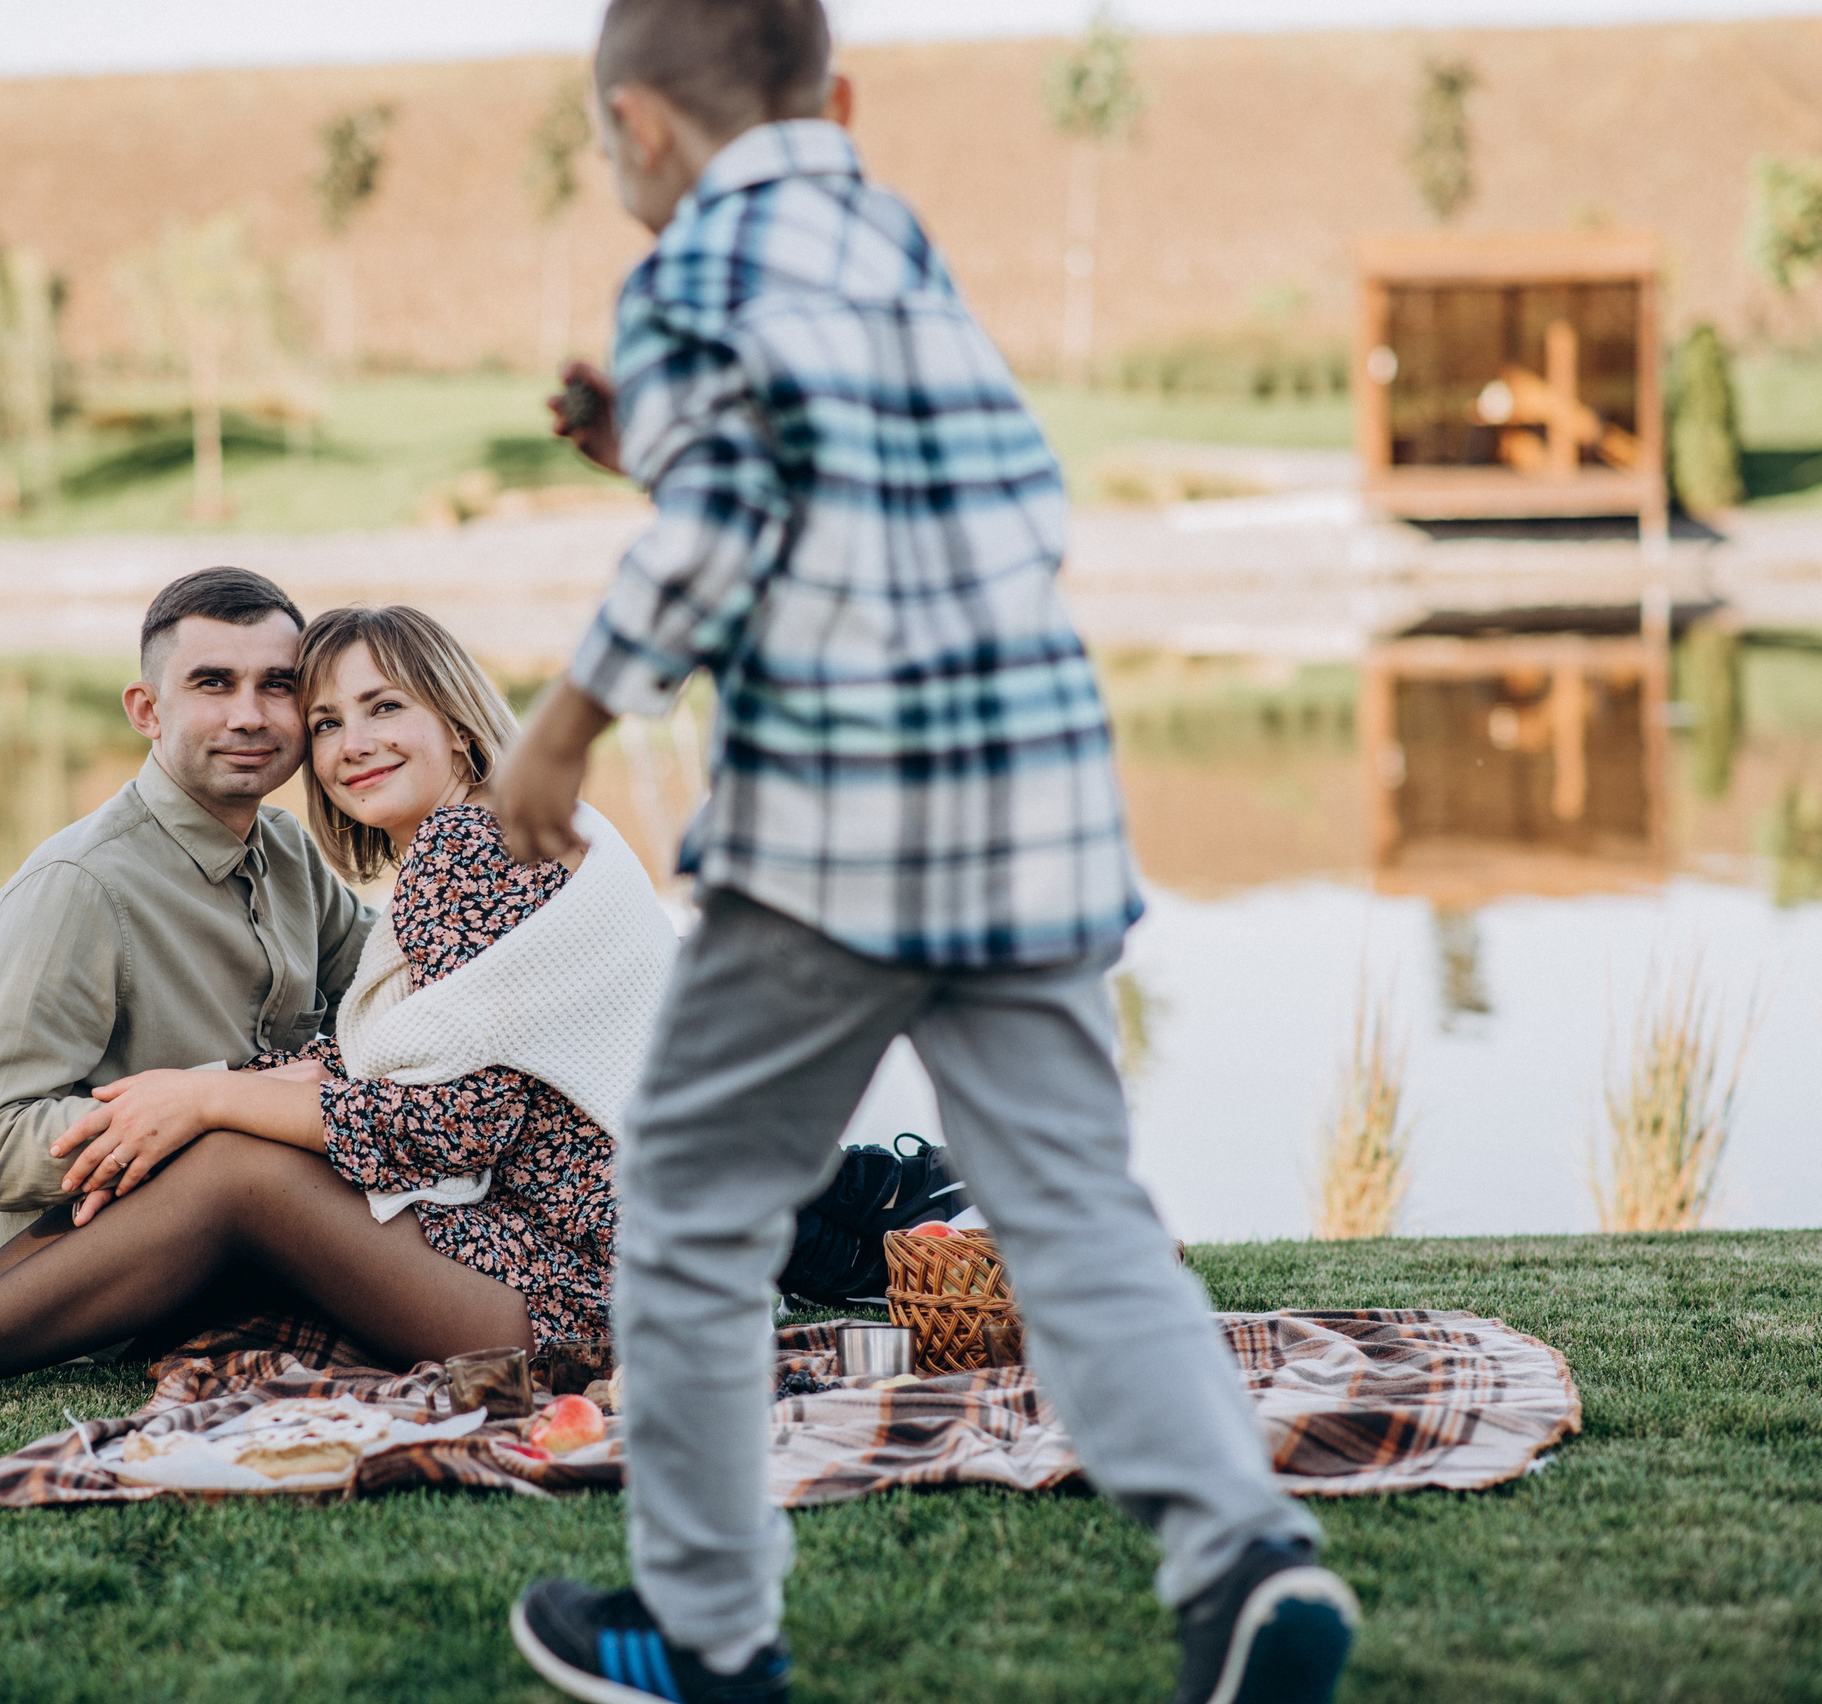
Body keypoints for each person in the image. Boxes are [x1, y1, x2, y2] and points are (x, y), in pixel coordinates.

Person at [492, 6, 1359, 1704]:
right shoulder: (895, 245)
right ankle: (1245, 1559)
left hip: (836, 831)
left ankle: (708, 1627)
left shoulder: (690, 267)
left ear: (641, 132)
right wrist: (643, 444)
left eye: (607, 152)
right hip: (1036, 820)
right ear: (843, 101)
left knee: (688, 1209)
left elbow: (733, 516)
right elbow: (851, 482)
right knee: (1078, 1216)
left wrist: (569, 718)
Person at [0, 605, 669, 1405]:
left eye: (382, 708)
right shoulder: (490, 834)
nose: (349, 744)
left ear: (455, 721)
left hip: (581, 1300)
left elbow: (454, 1128)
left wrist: (201, 1101)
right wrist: (180, 1109)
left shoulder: (470, 847)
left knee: (235, 1165)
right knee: (207, 1141)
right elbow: (399, 1067)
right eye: (327, 722)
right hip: (575, 1265)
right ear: (147, 708)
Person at [0, 566, 374, 1260]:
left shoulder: (288, 849)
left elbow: (394, 989)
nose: (250, 716)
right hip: (102, 1274)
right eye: (213, 683)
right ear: (146, 710)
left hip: (261, 1234)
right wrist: (214, 1102)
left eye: (277, 685)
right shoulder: (78, 887)